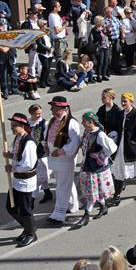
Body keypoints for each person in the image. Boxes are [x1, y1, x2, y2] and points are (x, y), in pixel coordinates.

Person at [73, 111, 117, 228]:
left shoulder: (100, 134)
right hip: (89, 165)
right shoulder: (88, 132)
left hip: (97, 167)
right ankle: (103, 207)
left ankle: (86, 215)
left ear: (91, 122)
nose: (82, 123)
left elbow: (112, 148)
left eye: (84, 121)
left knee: (92, 192)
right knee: (95, 190)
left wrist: (100, 156)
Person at [4, 113, 39, 247]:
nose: (12, 128)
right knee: (11, 207)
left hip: (25, 181)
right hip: (17, 181)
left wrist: (13, 169)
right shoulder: (18, 138)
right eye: (12, 125)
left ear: (22, 126)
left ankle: (31, 234)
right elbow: (19, 156)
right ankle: (29, 228)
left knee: (25, 210)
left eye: (14, 126)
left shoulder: (29, 142)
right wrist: (10, 155)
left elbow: (28, 164)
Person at [45, 96, 81, 225]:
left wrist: (60, 151)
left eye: (53, 107)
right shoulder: (52, 120)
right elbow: (47, 135)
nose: (51, 109)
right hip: (53, 158)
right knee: (65, 183)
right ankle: (73, 205)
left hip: (64, 159)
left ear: (61, 108)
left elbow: (75, 142)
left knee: (62, 186)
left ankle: (59, 213)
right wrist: (45, 145)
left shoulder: (71, 122)